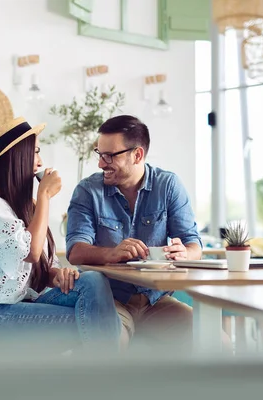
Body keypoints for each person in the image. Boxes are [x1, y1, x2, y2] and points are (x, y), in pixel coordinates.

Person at [0, 117, 121, 354]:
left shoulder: (27, 205)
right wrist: (44, 195)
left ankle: (102, 378)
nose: (40, 161)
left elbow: (43, 267)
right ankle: (108, 381)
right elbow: (31, 252)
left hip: (24, 304)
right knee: (92, 321)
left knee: (93, 280)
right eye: (35, 152)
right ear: (17, 156)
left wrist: (58, 276)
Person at [66, 115, 202, 352]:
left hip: (157, 302)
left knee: (216, 343)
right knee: (111, 348)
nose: (101, 163)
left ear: (137, 155)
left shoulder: (168, 185)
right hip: (110, 300)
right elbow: (75, 251)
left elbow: (194, 246)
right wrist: (112, 253)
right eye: (99, 154)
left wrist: (184, 254)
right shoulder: (88, 191)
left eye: (109, 156)